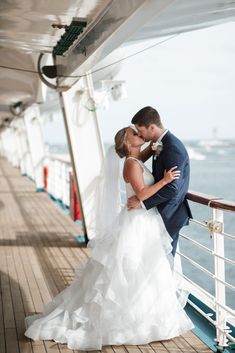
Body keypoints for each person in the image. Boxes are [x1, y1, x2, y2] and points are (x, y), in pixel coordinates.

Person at [24, 126, 193, 351]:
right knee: (135, 267)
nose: (139, 135)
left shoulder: (134, 159)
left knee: (147, 267)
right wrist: (164, 180)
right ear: (127, 142)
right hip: (138, 220)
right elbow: (141, 194)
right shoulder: (131, 165)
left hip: (144, 219)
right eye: (135, 134)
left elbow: (140, 159)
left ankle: (149, 315)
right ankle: (133, 321)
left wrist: (154, 148)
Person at [129, 106, 192, 256]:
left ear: (151, 127)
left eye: (140, 130)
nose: (140, 135)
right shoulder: (159, 144)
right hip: (160, 212)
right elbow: (135, 161)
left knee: (163, 263)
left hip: (169, 213)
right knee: (155, 261)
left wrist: (143, 202)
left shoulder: (172, 147)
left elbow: (172, 188)